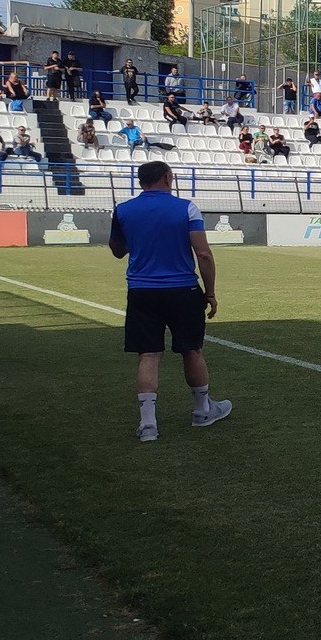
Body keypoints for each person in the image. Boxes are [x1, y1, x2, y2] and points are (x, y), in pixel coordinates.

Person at [111, 160, 232, 441]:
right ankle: (203, 411)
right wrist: (210, 292)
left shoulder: (123, 209)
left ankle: (148, 424)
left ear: (141, 181)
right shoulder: (186, 207)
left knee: (149, 354)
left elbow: (118, 250)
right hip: (182, 290)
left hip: (141, 291)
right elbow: (203, 253)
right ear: (167, 178)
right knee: (192, 350)